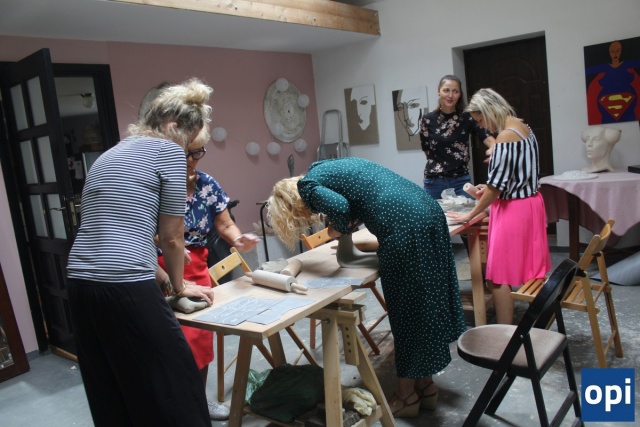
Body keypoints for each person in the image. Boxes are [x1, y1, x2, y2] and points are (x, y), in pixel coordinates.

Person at [66, 78, 215, 427]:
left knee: (112, 384)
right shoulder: (168, 153)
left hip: (79, 282)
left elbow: (122, 236)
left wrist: (163, 280)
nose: (189, 154)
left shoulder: (109, 155)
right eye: (190, 143)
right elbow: (172, 237)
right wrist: (180, 287)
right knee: (175, 383)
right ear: (174, 126)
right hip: (125, 285)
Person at [267, 157, 466, 418]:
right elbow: (360, 196)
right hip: (427, 211)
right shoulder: (324, 170)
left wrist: (336, 229)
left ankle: (405, 395)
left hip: (405, 225)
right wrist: (349, 221)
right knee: (422, 307)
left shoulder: (309, 186)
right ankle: (426, 387)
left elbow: (340, 207)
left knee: (407, 316)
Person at [156, 116, 260, 421]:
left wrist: (238, 238)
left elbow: (224, 223)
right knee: (168, 344)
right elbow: (147, 230)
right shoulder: (158, 185)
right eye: (186, 153)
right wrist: (172, 246)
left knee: (200, 341)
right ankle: (175, 407)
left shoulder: (207, 184)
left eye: (197, 152)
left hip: (198, 268)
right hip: (160, 271)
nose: (192, 160)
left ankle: (198, 402)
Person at [447, 88, 552, 325]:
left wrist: (470, 214)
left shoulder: (505, 136)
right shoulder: (523, 127)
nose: (483, 126)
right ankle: (539, 323)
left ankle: (505, 334)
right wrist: (490, 187)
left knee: (497, 277)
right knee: (531, 270)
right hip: (531, 204)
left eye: (481, 120)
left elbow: (496, 188)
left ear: (490, 110)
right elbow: (512, 175)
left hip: (513, 209)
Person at [419, 75, 496, 200]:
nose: (450, 95)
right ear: (438, 91)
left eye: (455, 91)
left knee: (469, 212)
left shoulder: (468, 117)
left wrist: (494, 149)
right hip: (434, 181)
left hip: (461, 180)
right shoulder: (427, 119)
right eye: (446, 90)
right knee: (433, 213)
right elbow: (426, 149)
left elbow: (487, 138)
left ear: (460, 94)